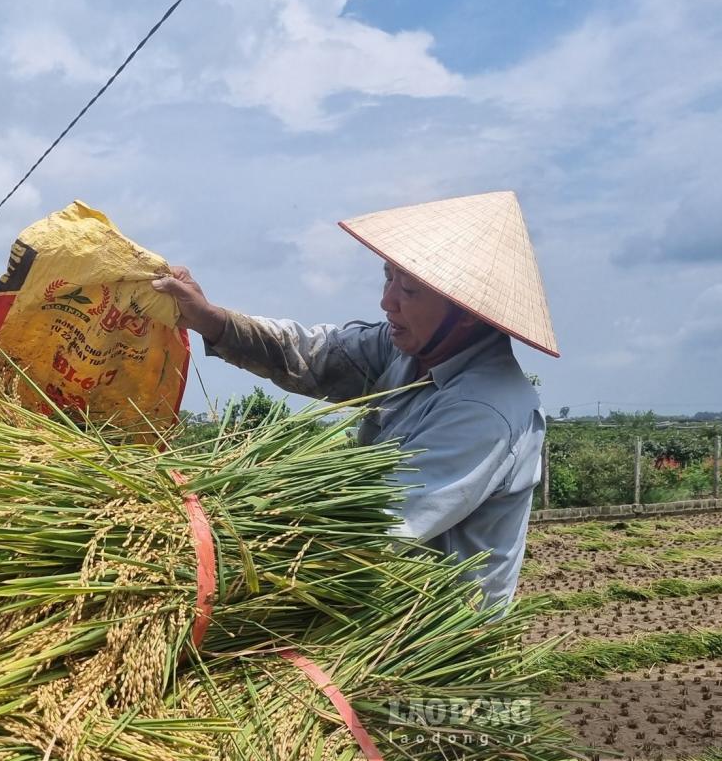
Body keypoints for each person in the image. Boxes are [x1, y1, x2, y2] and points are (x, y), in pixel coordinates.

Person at [154, 191, 558, 612]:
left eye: (410, 290)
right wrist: (209, 319)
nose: (387, 301)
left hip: (429, 640)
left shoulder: (486, 410)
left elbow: (378, 528)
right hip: (376, 608)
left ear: (468, 311)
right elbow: (315, 354)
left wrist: (212, 541)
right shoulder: (405, 351)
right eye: (388, 278)